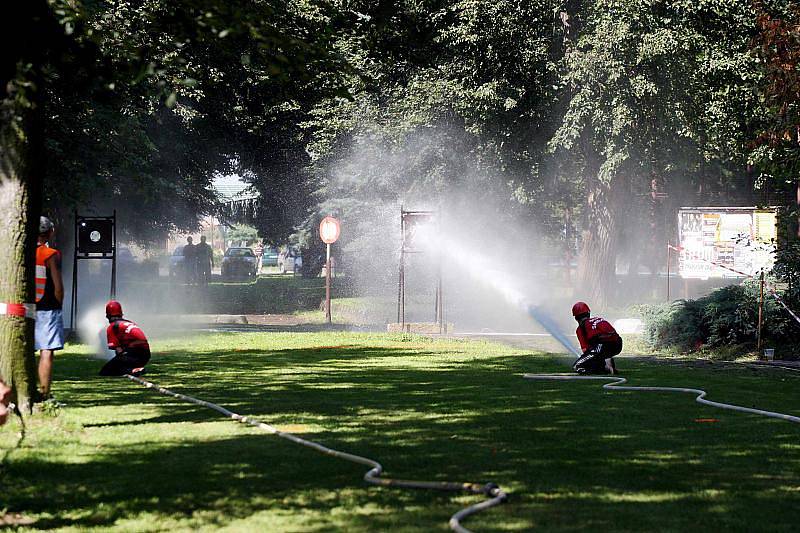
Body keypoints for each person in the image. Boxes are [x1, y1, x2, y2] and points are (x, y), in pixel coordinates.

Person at [35, 216, 65, 399]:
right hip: (47, 307)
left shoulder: (20, 252)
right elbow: (58, 287)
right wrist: (59, 304)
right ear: (50, 232)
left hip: (25, 307)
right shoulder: (50, 254)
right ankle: (45, 393)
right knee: (46, 350)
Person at [99, 300, 151, 376]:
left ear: (108, 316)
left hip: (133, 354)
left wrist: (117, 362)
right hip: (145, 356)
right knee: (117, 365)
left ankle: (133, 370)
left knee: (105, 371)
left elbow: (118, 350)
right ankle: (135, 368)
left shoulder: (112, 327)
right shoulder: (129, 322)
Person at [571, 301, 622, 375]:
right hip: (618, 344)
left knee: (577, 366)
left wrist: (587, 359)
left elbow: (586, 350)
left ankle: (604, 367)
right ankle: (607, 362)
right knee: (596, 355)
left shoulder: (580, 329)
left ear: (576, 318)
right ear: (588, 313)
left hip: (601, 346)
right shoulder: (598, 319)